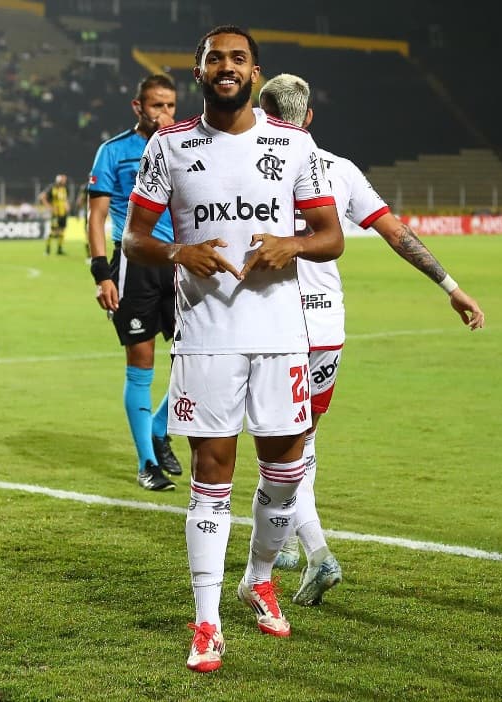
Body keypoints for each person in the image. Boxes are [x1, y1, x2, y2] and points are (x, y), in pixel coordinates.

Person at [123, 25, 347, 673]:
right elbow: (134, 237)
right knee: (211, 478)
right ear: (199, 72)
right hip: (207, 339)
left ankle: (258, 578)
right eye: (214, 58)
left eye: (238, 59)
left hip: (281, 337)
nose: (227, 66)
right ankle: (206, 622)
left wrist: (292, 245)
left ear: (254, 72)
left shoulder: (294, 144)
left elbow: (330, 236)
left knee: (285, 476)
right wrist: (177, 251)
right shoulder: (169, 146)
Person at [258, 73, 485, 607]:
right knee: (303, 443)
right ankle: (287, 542)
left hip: (278, 324)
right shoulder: (340, 169)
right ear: (309, 116)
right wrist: (451, 287)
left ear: (264, 116)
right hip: (327, 329)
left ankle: (316, 553)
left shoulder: (256, 166)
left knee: (280, 450)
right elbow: (397, 234)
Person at [87, 74, 184, 491]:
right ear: (138, 107)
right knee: (141, 363)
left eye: (171, 105)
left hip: (180, 262)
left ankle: (160, 427)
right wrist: (100, 274)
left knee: (197, 359)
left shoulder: (186, 146)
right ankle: (147, 462)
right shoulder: (113, 152)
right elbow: (95, 217)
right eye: (157, 105)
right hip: (134, 264)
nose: (165, 113)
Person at [39, 174, 69, 255]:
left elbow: (65, 199)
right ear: (59, 180)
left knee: (62, 231)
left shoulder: (64, 188)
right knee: (54, 232)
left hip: (63, 213)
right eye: (63, 180)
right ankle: (47, 249)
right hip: (55, 214)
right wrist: (49, 207)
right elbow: (42, 197)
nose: (65, 181)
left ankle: (59, 249)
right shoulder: (52, 188)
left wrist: (67, 205)